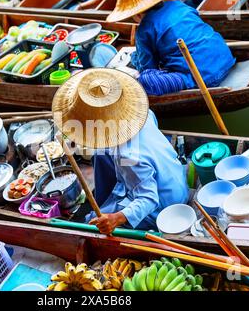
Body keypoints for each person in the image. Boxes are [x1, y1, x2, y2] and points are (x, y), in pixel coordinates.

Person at [52, 68, 189, 235]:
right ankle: (106, 200)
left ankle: (105, 208)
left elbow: (148, 199)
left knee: (92, 221)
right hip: (173, 178)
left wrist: (116, 218)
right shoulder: (143, 114)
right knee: (100, 155)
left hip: (166, 205)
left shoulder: (127, 155)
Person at [107, 0, 235, 97]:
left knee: (146, 79)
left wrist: (135, 58)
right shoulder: (180, 6)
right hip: (226, 58)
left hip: (203, 78)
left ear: (137, 14)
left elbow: (147, 67)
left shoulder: (144, 29)